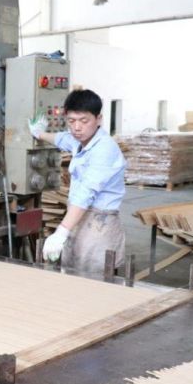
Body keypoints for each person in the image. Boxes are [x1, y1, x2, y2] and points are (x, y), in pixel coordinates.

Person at [29, 89, 127, 276]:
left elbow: (86, 193)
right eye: (71, 121)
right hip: (79, 217)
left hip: (100, 222)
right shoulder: (78, 140)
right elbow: (61, 139)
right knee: (72, 271)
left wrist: (61, 232)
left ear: (99, 119)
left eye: (84, 121)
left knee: (93, 275)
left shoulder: (104, 149)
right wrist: (39, 133)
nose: (77, 127)